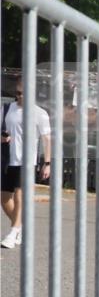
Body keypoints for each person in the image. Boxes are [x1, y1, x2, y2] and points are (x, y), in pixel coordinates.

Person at [2, 82, 52, 249]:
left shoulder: (39, 113)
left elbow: (46, 139)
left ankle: (13, 231)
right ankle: (20, 228)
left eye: (24, 93)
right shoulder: (7, 109)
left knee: (19, 196)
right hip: (8, 160)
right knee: (4, 199)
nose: (20, 96)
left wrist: (47, 163)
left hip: (27, 161)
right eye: (18, 93)